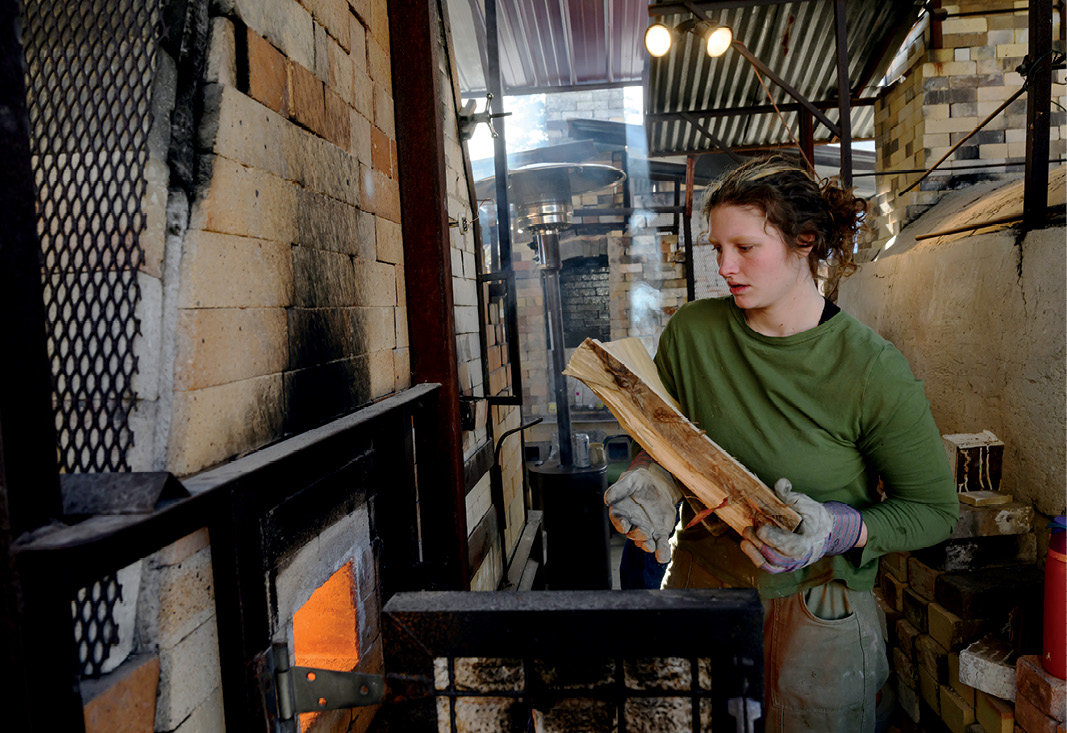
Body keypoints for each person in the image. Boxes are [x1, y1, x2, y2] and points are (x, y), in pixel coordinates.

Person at [605, 154, 959, 732]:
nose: (725, 266)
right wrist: (651, 479)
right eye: (717, 248)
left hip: (818, 615)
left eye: (745, 248)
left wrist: (839, 528)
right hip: (704, 592)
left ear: (805, 241)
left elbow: (935, 512)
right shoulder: (692, 335)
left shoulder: (871, 369)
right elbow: (669, 445)